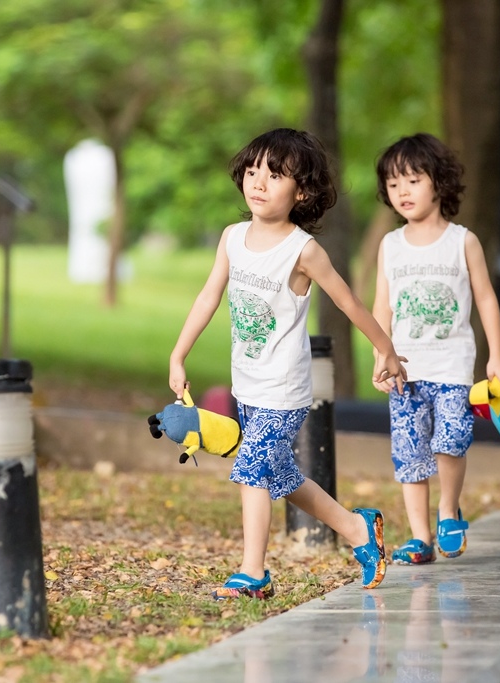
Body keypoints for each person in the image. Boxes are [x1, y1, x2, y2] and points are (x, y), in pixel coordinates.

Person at [168, 128, 408, 599]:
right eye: (253, 170)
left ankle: (253, 573)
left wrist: (386, 350)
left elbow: (350, 304)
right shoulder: (233, 238)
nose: (258, 182)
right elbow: (208, 296)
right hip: (248, 384)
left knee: (253, 470)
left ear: (301, 192)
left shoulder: (303, 251)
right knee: (281, 476)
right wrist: (179, 352)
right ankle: (359, 530)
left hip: (284, 388)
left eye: (274, 175)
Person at [371, 132, 500, 566]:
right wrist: (381, 354)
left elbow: (487, 298)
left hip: (452, 364)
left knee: (451, 439)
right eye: (394, 185)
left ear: (439, 182)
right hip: (405, 369)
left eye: (413, 180)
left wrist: (497, 357)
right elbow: (383, 305)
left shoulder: (462, 241)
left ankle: (449, 511)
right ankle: (420, 538)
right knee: (410, 452)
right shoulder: (390, 245)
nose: (403, 192)